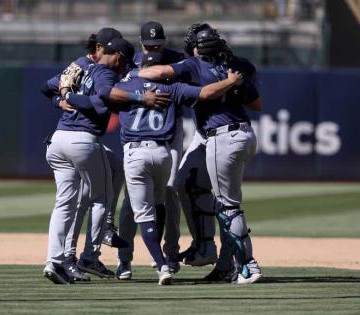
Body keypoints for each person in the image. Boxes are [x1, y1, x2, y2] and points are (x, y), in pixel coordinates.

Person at [65, 50, 244, 284]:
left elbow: (97, 99)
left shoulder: (125, 88)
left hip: (136, 153)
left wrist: (65, 96)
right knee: (160, 204)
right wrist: (230, 82)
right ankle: (166, 259)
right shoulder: (172, 88)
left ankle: (159, 265)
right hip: (163, 154)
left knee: (142, 213)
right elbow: (206, 93)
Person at [133, 23, 263, 284]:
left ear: (196, 47)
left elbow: (155, 73)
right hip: (242, 133)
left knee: (228, 206)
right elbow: (256, 104)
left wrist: (135, 73)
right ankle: (213, 254)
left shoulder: (193, 65)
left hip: (221, 135)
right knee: (188, 184)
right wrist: (231, 84)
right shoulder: (239, 65)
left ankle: (248, 265)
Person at [42, 37, 135, 284]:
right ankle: (90, 254)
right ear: (118, 57)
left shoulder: (82, 67)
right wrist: (68, 98)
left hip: (58, 139)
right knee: (101, 199)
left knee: (64, 204)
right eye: (124, 61)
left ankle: (55, 261)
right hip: (82, 142)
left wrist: (63, 94)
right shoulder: (106, 74)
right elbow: (101, 102)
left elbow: (50, 86)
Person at [117, 21, 185, 279]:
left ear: (164, 42)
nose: (154, 48)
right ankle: (125, 258)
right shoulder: (131, 62)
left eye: (158, 44)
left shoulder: (176, 60)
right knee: (130, 201)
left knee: (169, 190)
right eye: (149, 44)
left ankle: (169, 254)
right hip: (137, 137)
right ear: (141, 42)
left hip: (169, 133)